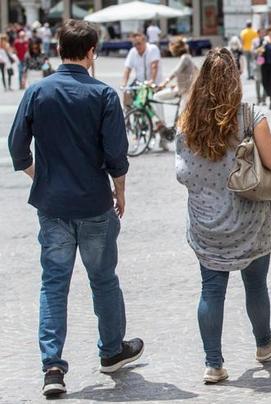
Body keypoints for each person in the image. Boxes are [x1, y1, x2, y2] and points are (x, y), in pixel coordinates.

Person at [7, 19, 144, 398]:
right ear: (91, 52)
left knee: (54, 284)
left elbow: (17, 148)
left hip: (52, 205)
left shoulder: (37, 92)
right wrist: (120, 190)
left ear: (57, 50)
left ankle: (53, 367)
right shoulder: (102, 95)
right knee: (104, 280)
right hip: (94, 202)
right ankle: (112, 350)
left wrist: (40, 177)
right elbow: (117, 153)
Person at [176, 47, 271, 384]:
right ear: (236, 79)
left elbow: (183, 173)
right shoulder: (249, 115)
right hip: (249, 220)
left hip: (206, 221)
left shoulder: (187, 120)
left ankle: (213, 364)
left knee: (211, 290)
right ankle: (264, 343)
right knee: (255, 284)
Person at [154, 37, 197, 147]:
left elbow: (176, 71)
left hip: (186, 93)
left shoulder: (185, 58)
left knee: (181, 120)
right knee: (155, 97)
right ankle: (161, 125)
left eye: (171, 47)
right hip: (179, 89)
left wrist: (164, 83)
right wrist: (177, 84)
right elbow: (191, 72)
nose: (170, 50)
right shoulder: (187, 57)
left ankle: (185, 145)